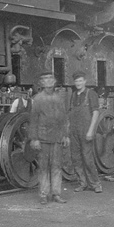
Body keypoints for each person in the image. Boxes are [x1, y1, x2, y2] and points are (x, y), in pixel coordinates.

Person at [29, 71, 70, 205]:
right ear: (41, 83)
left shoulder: (59, 98)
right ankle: (43, 195)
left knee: (57, 167)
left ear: (54, 81)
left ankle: (56, 194)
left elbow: (64, 119)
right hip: (43, 138)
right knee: (44, 168)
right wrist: (34, 138)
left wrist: (66, 135)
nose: (48, 81)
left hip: (57, 138)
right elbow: (33, 120)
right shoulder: (38, 99)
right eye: (45, 79)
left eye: (51, 78)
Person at [68, 71, 102, 193]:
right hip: (74, 131)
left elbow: (96, 113)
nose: (78, 83)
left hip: (85, 130)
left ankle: (95, 184)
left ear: (85, 81)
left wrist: (91, 130)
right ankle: (83, 183)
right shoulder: (73, 95)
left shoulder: (91, 94)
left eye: (80, 80)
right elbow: (70, 113)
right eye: (76, 81)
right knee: (76, 158)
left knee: (88, 158)